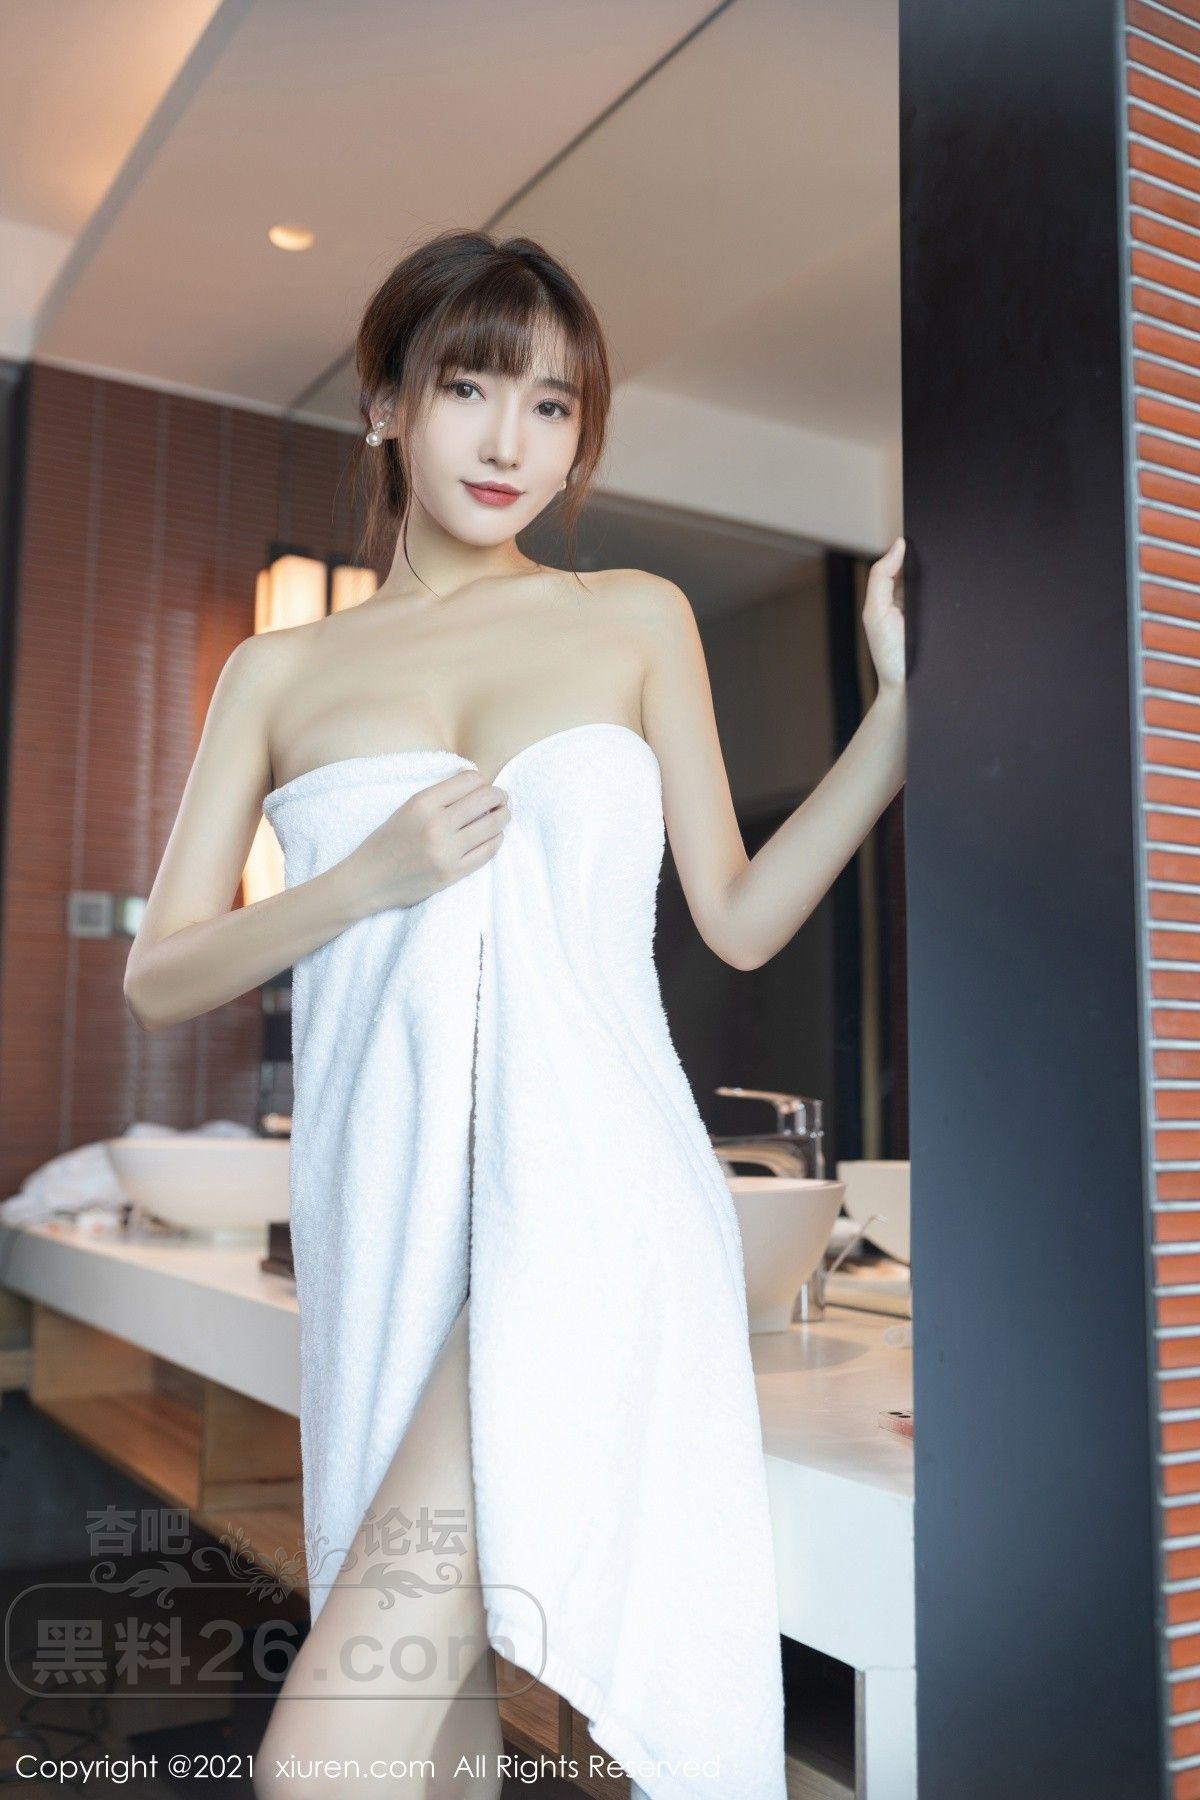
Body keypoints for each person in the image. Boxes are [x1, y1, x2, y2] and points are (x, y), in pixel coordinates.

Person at [124, 228, 906, 1799]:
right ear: (384, 406)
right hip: (387, 1216)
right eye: (470, 388)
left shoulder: (633, 616)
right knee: (438, 1739)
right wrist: (366, 882)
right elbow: (161, 974)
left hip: (593, 1205)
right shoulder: (278, 674)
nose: (510, 441)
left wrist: (901, 714)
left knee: (319, 1763)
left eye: (553, 406)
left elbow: (740, 916)